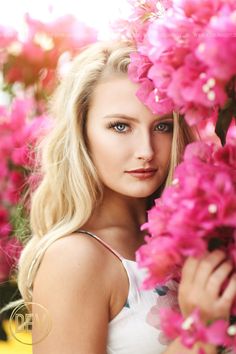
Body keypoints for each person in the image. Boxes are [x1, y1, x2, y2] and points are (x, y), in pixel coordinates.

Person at [14, 40, 235, 354]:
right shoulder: (75, 258)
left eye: (162, 126)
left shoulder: (197, 238)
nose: (146, 151)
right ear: (82, 132)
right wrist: (198, 332)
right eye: (120, 126)